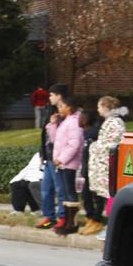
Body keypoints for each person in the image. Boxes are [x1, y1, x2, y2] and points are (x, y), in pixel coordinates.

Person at [88, 96, 129, 240]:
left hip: (108, 167)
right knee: (108, 196)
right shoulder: (111, 121)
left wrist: (94, 146)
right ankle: (111, 229)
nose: (98, 109)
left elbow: (113, 144)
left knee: (111, 196)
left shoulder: (114, 122)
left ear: (106, 106)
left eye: (99, 106)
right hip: (105, 166)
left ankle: (112, 230)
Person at [52, 95, 84, 235]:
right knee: (64, 193)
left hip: (69, 163)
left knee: (70, 193)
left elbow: (74, 144)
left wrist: (62, 159)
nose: (58, 109)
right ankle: (66, 221)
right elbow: (57, 141)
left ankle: (73, 223)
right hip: (62, 163)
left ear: (69, 108)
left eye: (61, 106)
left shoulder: (73, 123)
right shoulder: (66, 121)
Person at [35, 84, 66, 229]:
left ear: (59, 95)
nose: (49, 98)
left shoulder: (66, 113)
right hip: (48, 156)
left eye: (52, 95)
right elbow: (44, 133)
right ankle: (49, 217)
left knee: (60, 190)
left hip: (58, 158)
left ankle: (63, 217)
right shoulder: (50, 110)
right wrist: (42, 151)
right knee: (46, 189)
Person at [78, 109, 104, 236]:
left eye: (82, 117)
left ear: (87, 119)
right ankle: (90, 218)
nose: (79, 119)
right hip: (86, 168)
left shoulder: (94, 134)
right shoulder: (83, 133)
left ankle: (97, 220)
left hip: (95, 169)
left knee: (97, 195)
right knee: (85, 195)